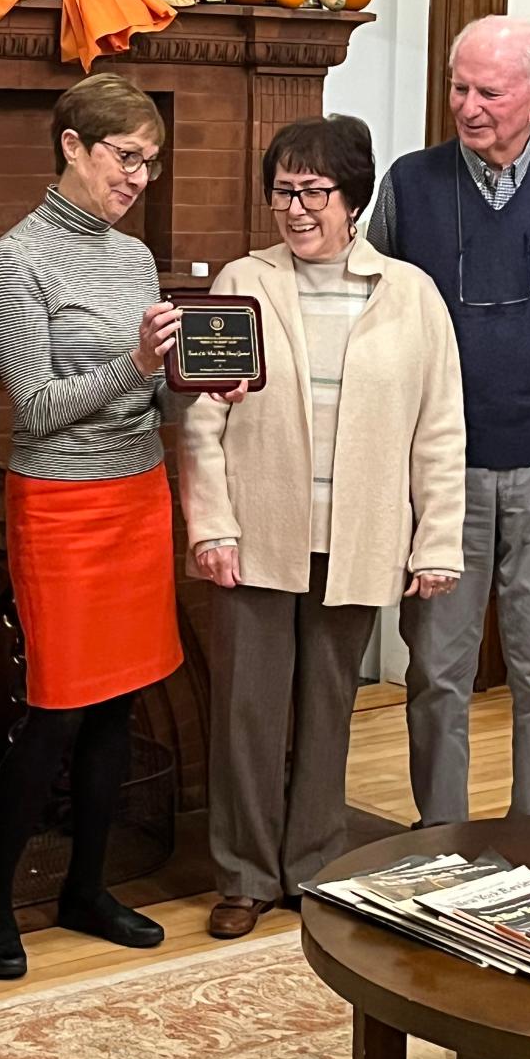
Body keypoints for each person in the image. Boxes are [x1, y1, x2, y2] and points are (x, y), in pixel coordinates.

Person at [0, 72, 244, 979]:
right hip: (59, 506)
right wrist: (136, 364)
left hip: (136, 497)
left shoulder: (132, 258)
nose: (138, 178)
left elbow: (152, 389)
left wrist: (200, 378)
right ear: (74, 148)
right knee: (53, 713)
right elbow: (39, 408)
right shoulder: (17, 260)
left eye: (151, 164)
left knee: (117, 712)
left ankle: (85, 888)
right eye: (126, 158)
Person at [177, 115, 466, 939]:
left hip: (360, 537)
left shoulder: (410, 294)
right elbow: (203, 419)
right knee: (248, 714)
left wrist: (436, 537)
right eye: (283, 191)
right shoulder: (241, 281)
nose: (296, 208)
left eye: (314, 191)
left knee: (328, 708)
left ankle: (311, 867)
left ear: (355, 197)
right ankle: (243, 874)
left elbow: (439, 426)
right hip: (259, 534)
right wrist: (212, 527)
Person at [367, 16, 530, 827]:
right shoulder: (409, 186)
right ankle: (438, 840)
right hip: (444, 471)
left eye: (489, 91)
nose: (468, 106)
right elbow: (373, 309)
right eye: (458, 87)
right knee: (437, 669)